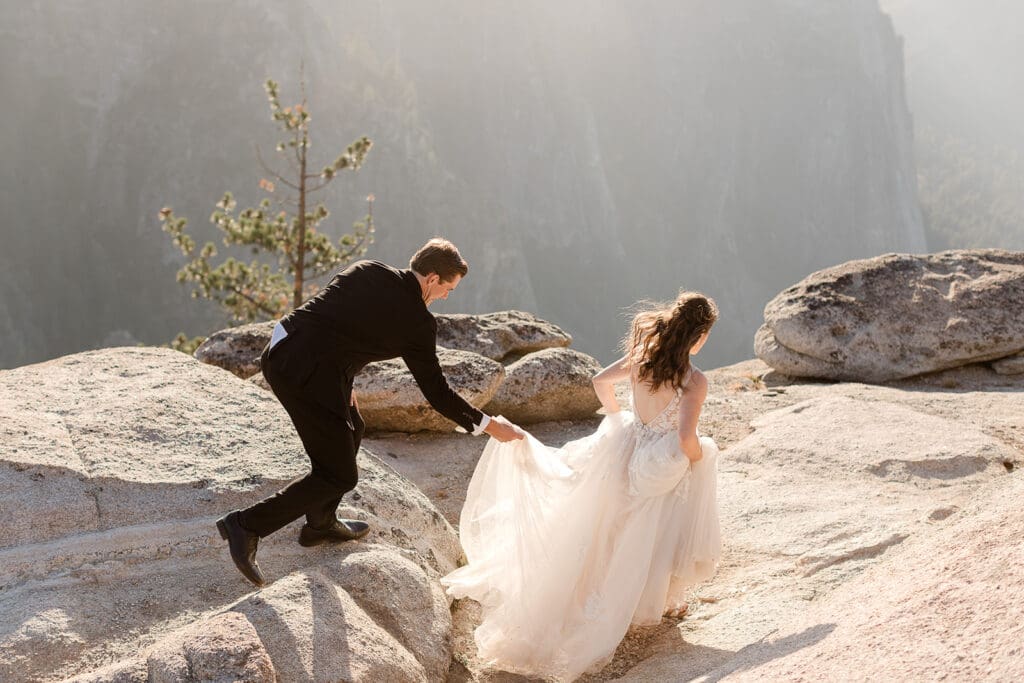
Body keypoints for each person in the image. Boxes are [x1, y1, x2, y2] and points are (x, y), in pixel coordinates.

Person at [441, 291, 721, 681]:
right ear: (700, 336)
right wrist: (698, 460)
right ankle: (639, 600)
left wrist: (618, 418)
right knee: (648, 525)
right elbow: (687, 437)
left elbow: (599, 380)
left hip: (625, 445)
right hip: (656, 459)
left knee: (608, 521)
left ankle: (590, 590)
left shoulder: (642, 359)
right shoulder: (693, 381)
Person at [216, 238, 524, 587]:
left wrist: (343, 386)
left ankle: (320, 523)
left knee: (354, 428)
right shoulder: (418, 323)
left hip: (282, 350)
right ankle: (245, 526)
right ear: (433, 278)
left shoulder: (367, 269)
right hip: (302, 374)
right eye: (448, 288)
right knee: (340, 476)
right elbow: (437, 392)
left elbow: (334, 323)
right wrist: (487, 424)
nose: (446, 297)